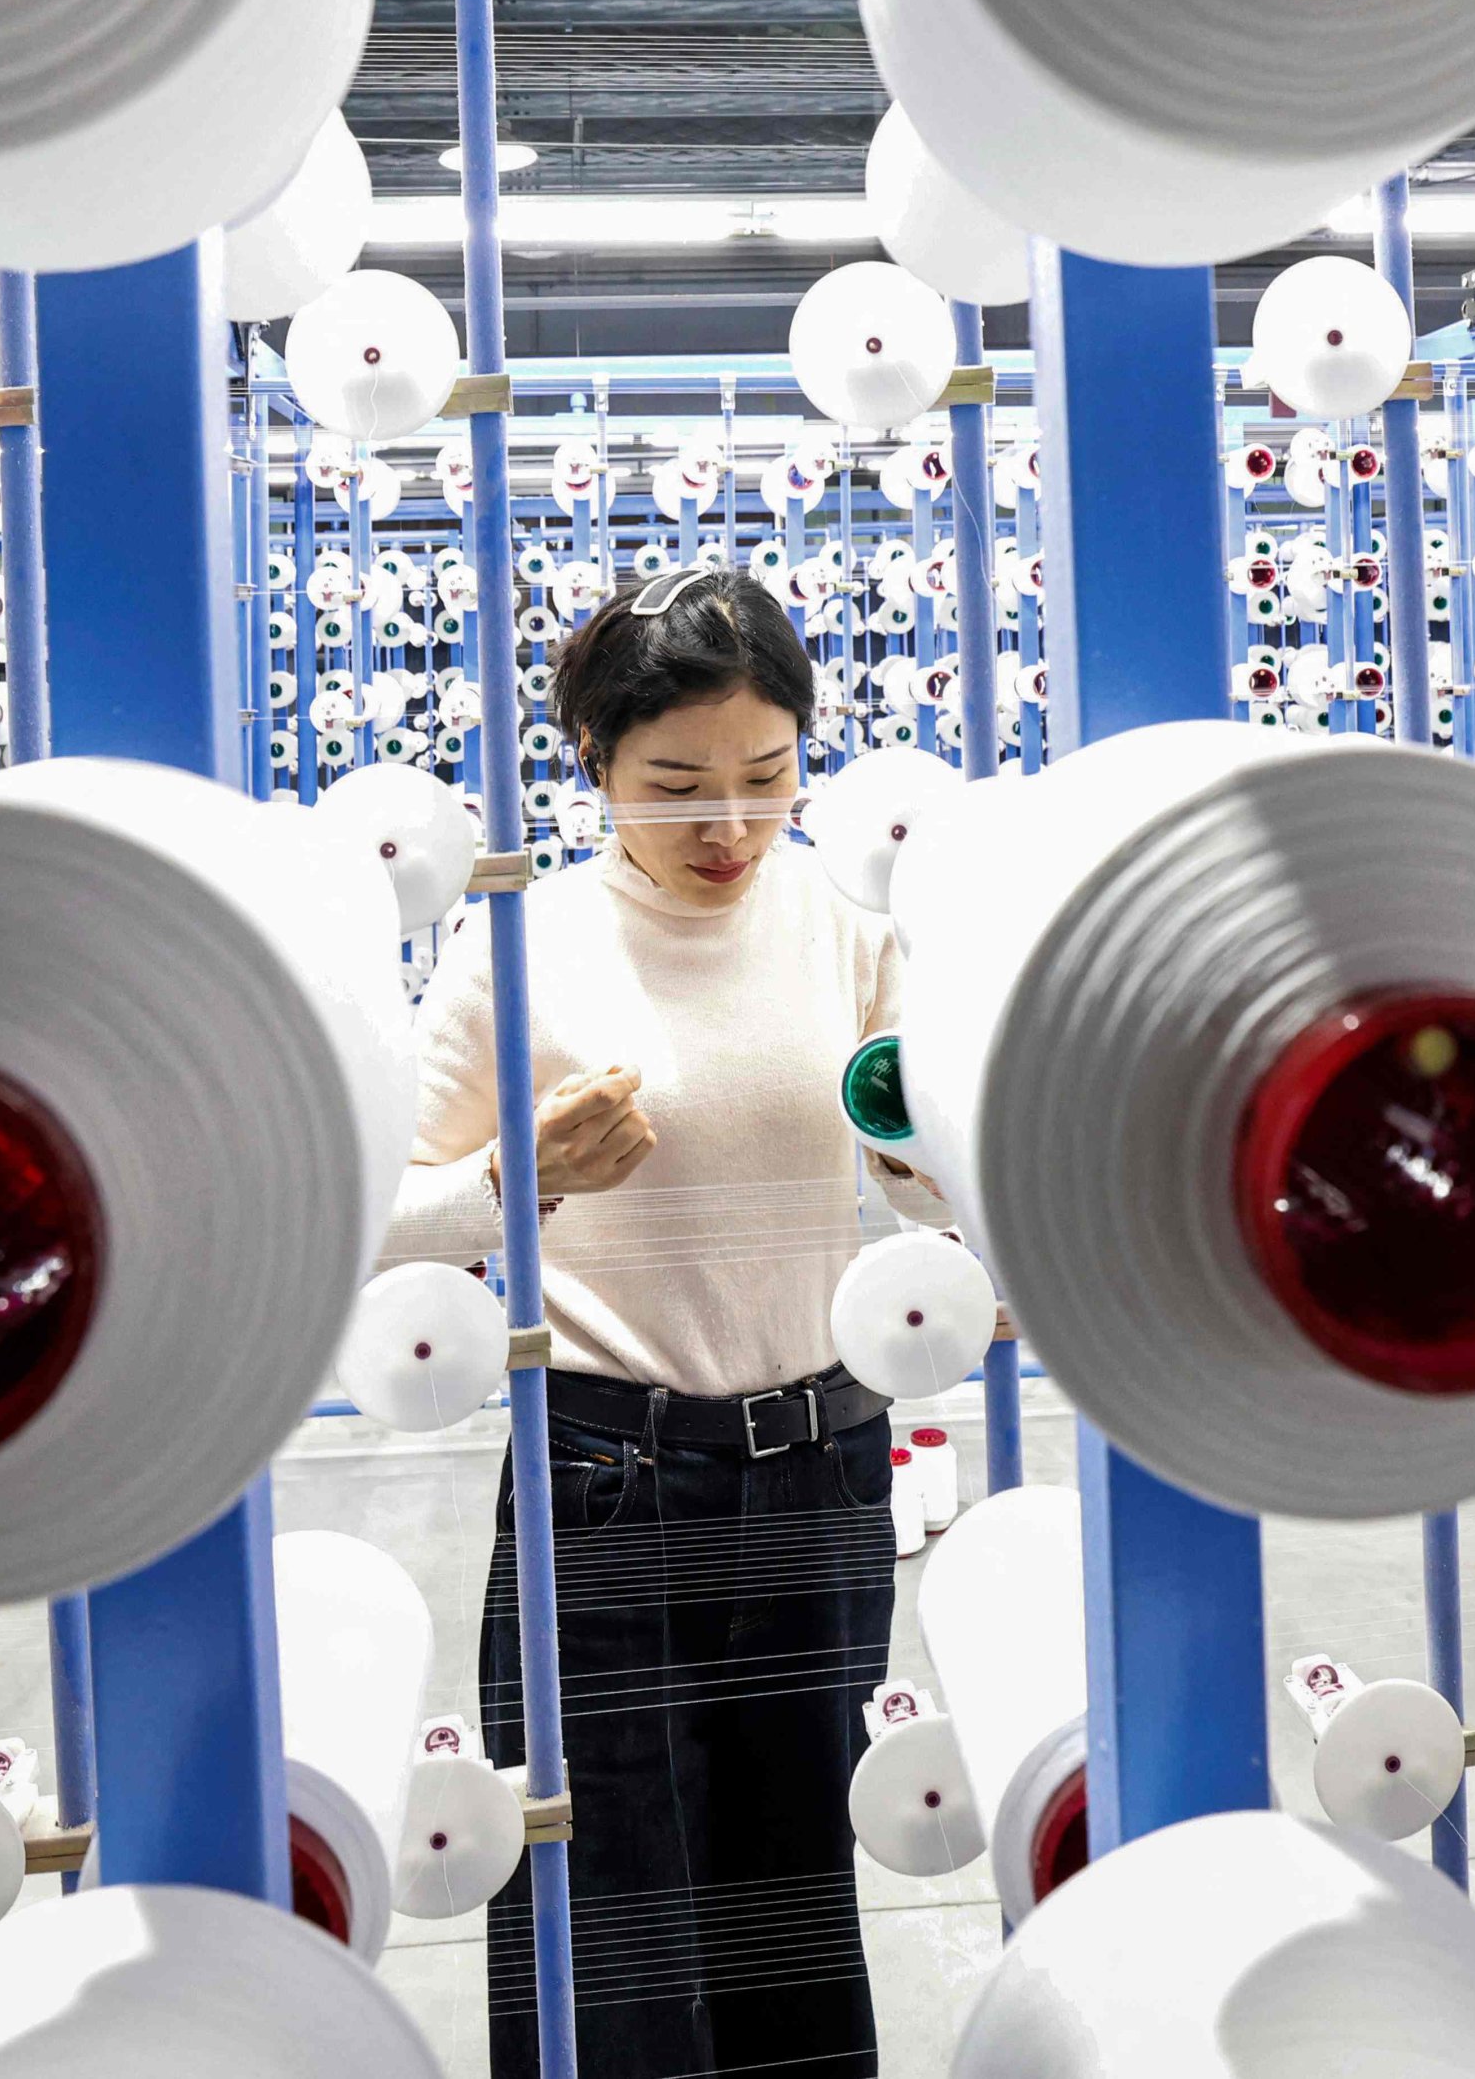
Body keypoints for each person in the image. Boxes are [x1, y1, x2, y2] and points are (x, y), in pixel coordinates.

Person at [385, 563, 932, 2079]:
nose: (728, 826)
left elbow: (939, 1182)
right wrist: (518, 1178)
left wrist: (930, 1150)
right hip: (604, 1477)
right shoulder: (521, 942)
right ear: (596, 766)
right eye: (675, 783)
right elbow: (377, 1224)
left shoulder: (844, 920)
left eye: (767, 777)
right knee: (601, 1903)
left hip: (824, 1464)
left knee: (795, 1899)